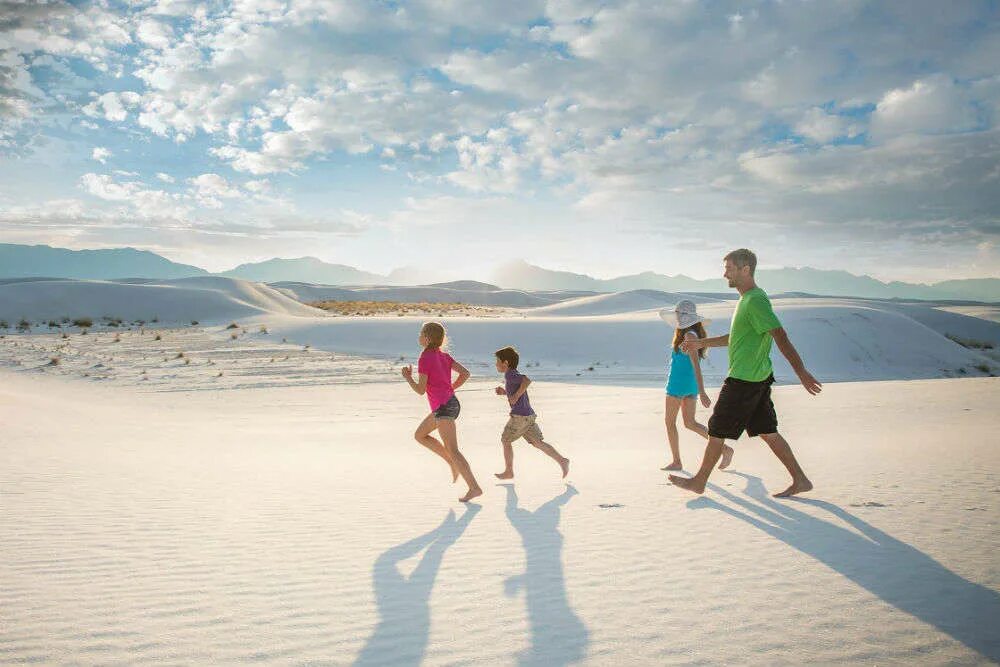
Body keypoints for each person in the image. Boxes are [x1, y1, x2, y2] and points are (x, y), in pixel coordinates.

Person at [669, 249, 821, 498]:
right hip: (756, 378)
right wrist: (700, 344)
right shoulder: (746, 300)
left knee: (717, 428)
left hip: (744, 379)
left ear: (745, 269)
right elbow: (735, 338)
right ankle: (801, 479)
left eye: (729, 268)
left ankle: (699, 481)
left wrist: (801, 371)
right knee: (768, 431)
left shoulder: (755, 300)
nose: (724, 273)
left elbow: (779, 335)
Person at [402, 321, 483, 502]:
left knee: (454, 450)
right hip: (448, 404)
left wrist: (408, 378)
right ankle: (450, 462)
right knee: (420, 435)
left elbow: (420, 390)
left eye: (421, 333)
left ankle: (474, 488)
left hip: (444, 407)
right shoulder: (444, 356)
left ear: (427, 338)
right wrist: (450, 389)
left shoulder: (425, 358)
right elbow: (465, 373)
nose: (419, 336)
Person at [659, 300, 734, 472]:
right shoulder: (691, 334)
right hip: (688, 384)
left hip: (678, 384)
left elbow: (696, 365)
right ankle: (725, 449)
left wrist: (703, 392)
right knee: (690, 423)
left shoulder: (689, 336)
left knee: (670, 422)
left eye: (678, 314)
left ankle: (677, 461)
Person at [492, 346, 570, 480]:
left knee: (505, 440)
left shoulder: (510, 374)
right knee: (537, 443)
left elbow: (526, 380)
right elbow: (517, 393)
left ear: (506, 363)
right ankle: (562, 460)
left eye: (497, 361)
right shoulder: (511, 374)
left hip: (520, 416)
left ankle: (509, 471)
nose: (496, 364)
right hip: (528, 415)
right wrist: (506, 393)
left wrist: (516, 395)